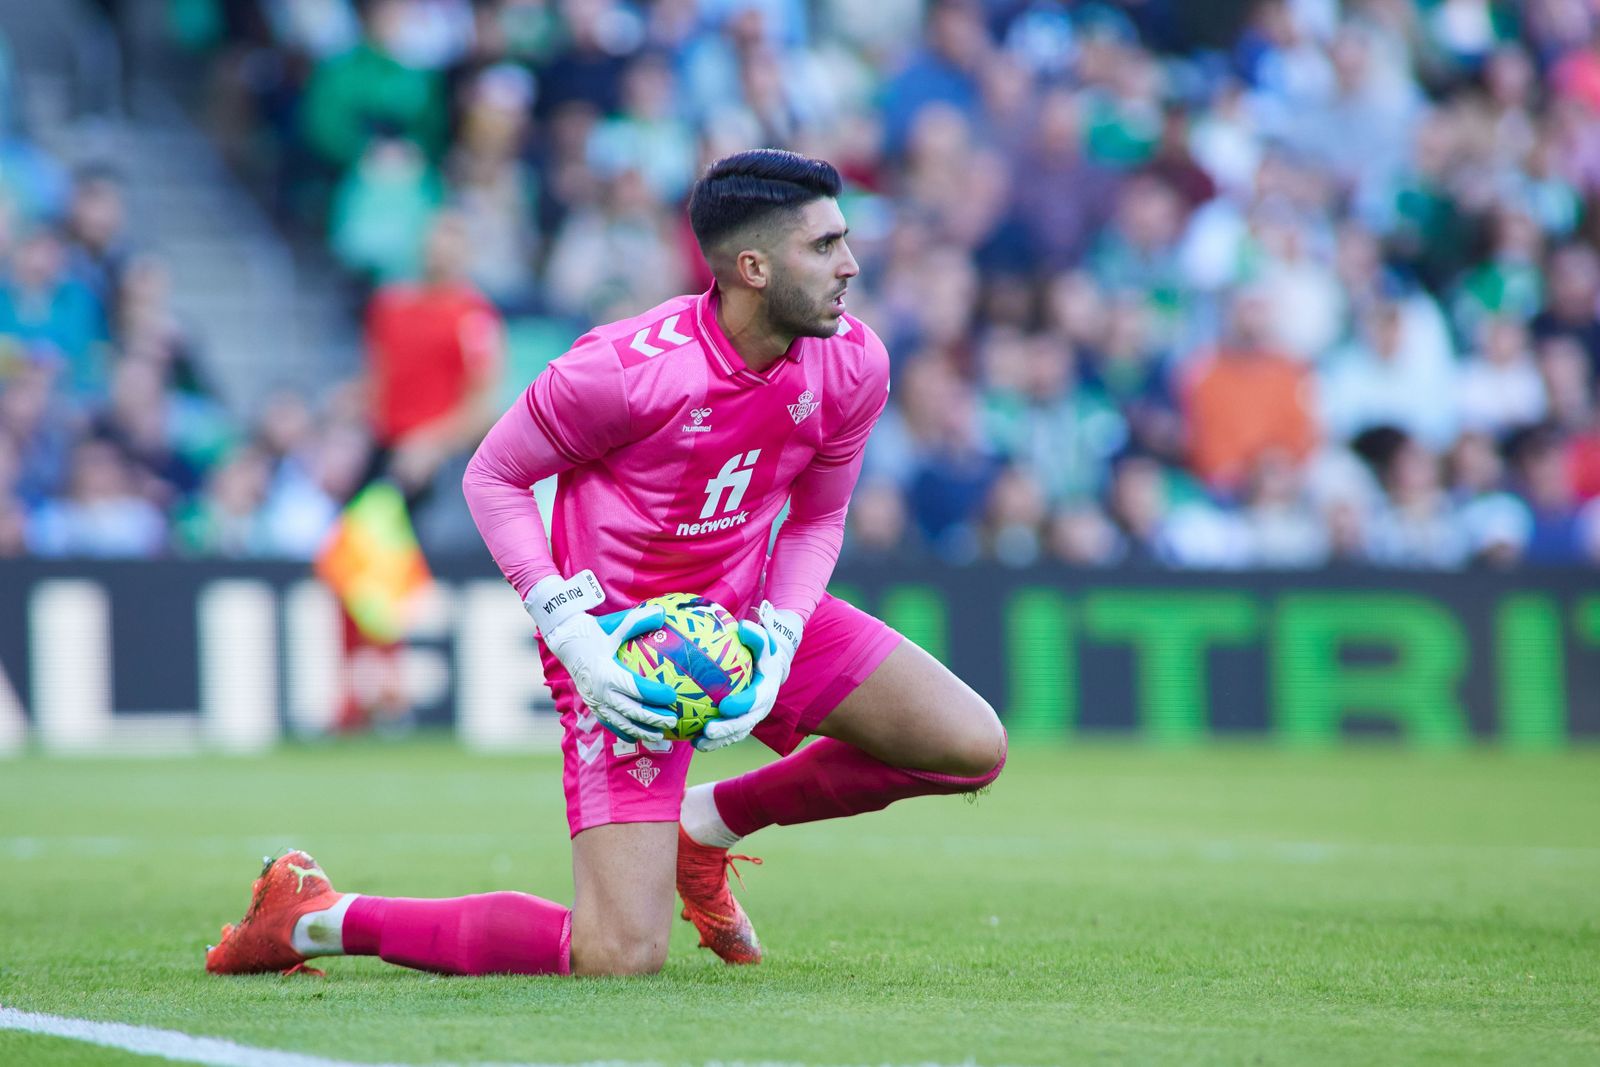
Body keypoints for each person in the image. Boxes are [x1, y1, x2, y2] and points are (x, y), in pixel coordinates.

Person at [204, 150, 1007, 978]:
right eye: (826, 245)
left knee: (969, 743)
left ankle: (705, 826)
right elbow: (493, 475)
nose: (851, 265)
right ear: (754, 268)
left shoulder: (854, 360)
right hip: (622, 643)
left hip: (749, 617)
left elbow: (818, 516)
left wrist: (780, 631)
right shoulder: (623, 371)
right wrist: (570, 632)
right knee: (618, 956)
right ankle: (314, 917)